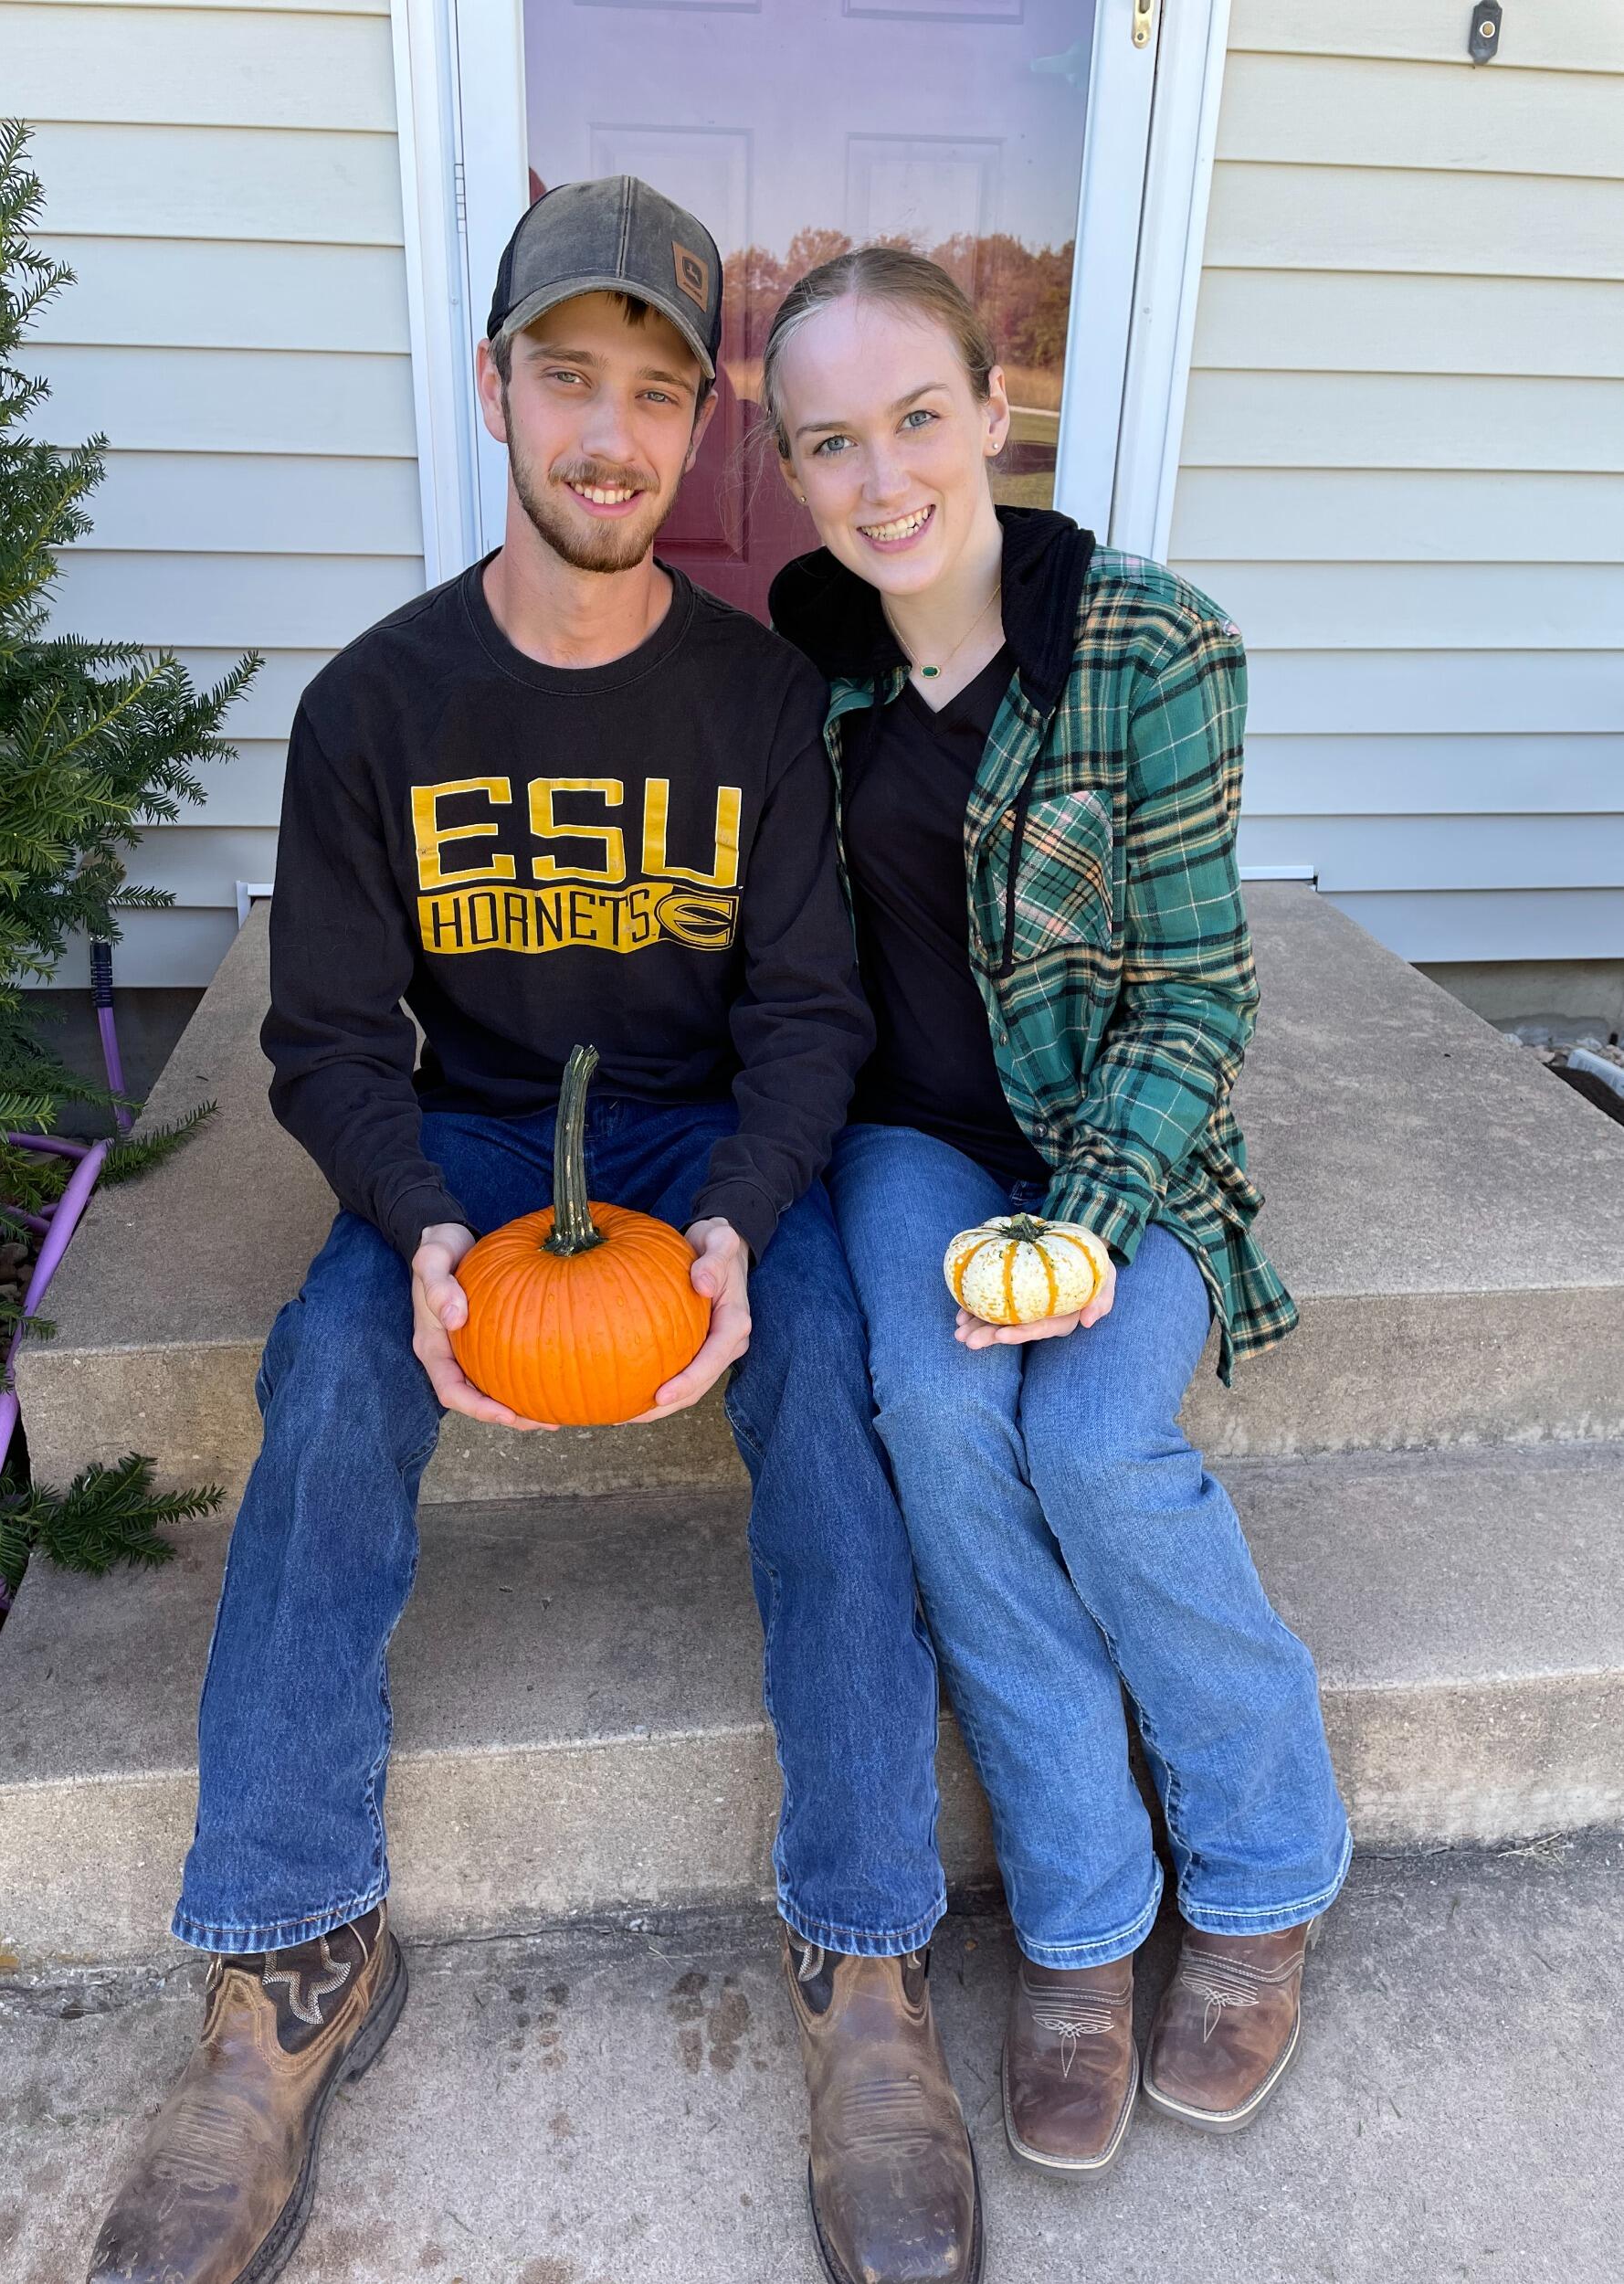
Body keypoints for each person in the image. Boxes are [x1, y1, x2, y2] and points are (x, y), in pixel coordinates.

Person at [87, 185, 980, 2284]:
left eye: (654, 394)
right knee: (325, 1365)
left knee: (834, 1372)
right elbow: (327, 1038)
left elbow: (807, 1014)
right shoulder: (375, 708)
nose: (608, 432)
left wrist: (742, 1219)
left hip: (696, 1141)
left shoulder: (756, 703)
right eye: (568, 376)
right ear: (492, 388)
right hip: (478, 1140)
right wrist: (411, 1224)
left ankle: (865, 1961)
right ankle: (287, 1956)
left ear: (698, 433)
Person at [763, 247, 1353, 2179]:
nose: (883, 478)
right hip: (913, 1143)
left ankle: (1261, 1869)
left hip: (1128, 1143)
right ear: (790, 468)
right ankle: (1082, 1921)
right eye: (830, 442)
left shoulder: (1149, 645)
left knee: (1095, 1443)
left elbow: (1195, 993)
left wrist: (1090, 1219)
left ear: (994, 412)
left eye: (918, 418)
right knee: (940, 1418)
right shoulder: (802, 672)